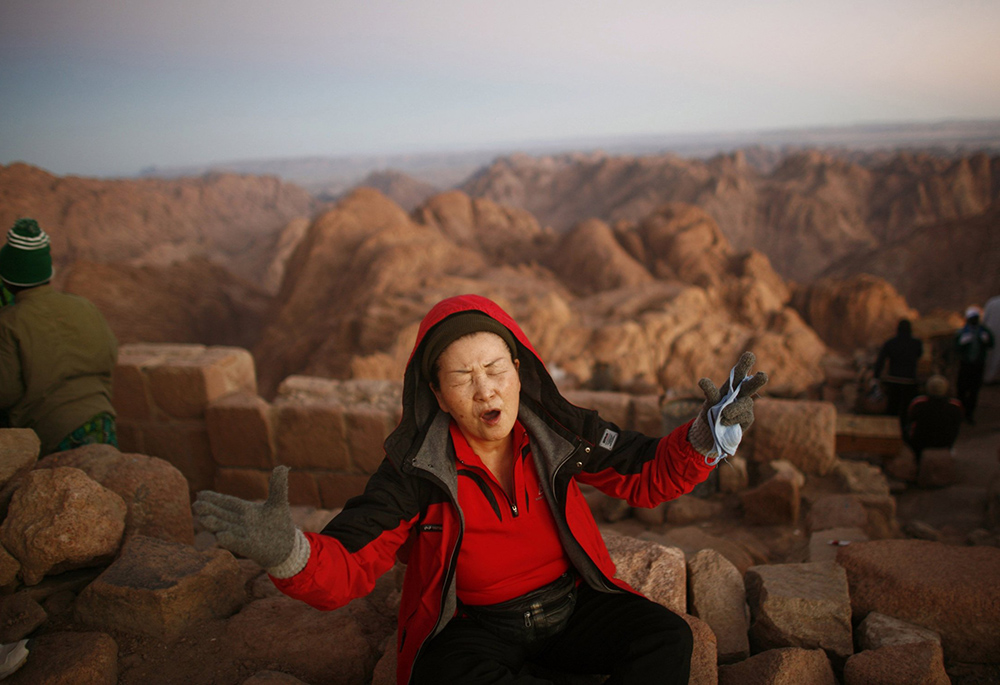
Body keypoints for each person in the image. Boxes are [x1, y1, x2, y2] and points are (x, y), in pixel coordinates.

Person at [194, 294, 768, 685]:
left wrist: (706, 434)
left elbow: (646, 473)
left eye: (495, 369)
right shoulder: (414, 473)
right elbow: (349, 561)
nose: (485, 389)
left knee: (664, 637)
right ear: (438, 396)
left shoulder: (562, 436)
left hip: (573, 609)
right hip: (479, 629)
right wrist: (288, 553)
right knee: (443, 675)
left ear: (520, 371)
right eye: (462, 378)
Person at [0, 218, 119, 455]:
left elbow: (6, 391)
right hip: (102, 421)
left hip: (52, 433)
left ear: (8, 278)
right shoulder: (84, 306)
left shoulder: (10, 321)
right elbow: (110, 355)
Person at [902, 375, 964, 465]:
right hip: (946, 441)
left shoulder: (918, 403)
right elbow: (958, 422)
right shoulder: (955, 406)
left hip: (919, 441)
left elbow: (909, 418)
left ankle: (917, 462)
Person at [873, 319, 923, 424]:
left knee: (892, 409)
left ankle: (892, 432)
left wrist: (876, 376)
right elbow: (919, 356)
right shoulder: (917, 343)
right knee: (908, 410)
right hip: (910, 381)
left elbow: (880, 361)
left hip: (893, 381)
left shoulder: (890, 343)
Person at [954, 306, 995, 424]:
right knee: (962, 389)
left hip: (978, 364)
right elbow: (956, 348)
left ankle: (969, 414)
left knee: (974, 390)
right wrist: (962, 344)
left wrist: (986, 340)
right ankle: (961, 412)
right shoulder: (963, 332)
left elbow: (991, 344)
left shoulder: (984, 332)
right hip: (966, 364)